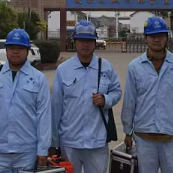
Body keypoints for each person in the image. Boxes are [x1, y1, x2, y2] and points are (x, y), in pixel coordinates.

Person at [121, 16, 173, 173]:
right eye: (152, 36)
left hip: (172, 135)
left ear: (166, 37)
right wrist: (128, 130)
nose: (157, 40)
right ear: (146, 38)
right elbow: (130, 100)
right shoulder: (135, 66)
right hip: (144, 136)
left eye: (161, 35)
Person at [0, 29, 51, 173]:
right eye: (11, 47)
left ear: (27, 50)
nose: (15, 52)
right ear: (6, 50)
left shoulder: (38, 78)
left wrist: (42, 149)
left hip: (27, 152)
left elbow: (44, 116)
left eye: (20, 48)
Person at [51, 20, 122, 173]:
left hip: (97, 140)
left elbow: (117, 91)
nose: (85, 44)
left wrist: (106, 100)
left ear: (95, 42)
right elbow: (56, 107)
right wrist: (53, 141)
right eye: (81, 40)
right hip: (69, 141)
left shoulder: (106, 67)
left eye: (89, 41)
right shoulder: (63, 70)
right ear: (74, 41)